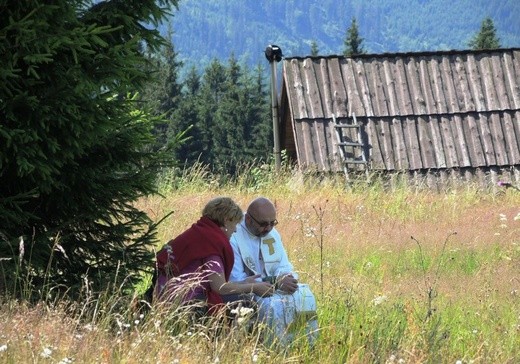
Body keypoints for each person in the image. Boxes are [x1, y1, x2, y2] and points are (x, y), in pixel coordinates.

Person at [154, 196, 275, 317]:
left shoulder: (200, 232)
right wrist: (253, 287)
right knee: (247, 304)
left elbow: (216, 283)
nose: (236, 230)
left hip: (164, 296)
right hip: (182, 304)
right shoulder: (212, 244)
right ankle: (229, 335)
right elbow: (219, 287)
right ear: (227, 220)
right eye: (235, 224)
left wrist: (243, 283)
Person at [228, 197, 318, 346]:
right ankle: (274, 349)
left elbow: (284, 265)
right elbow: (236, 277)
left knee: (305, 297)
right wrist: (275, 282)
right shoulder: (235, 236)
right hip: (250, 291)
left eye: (273, 223)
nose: (269, 228)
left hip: (276, 286)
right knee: (270, 305)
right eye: (264, 224)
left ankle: (303, 346)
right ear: (249, 219)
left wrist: (286, 277)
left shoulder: (272, 233)